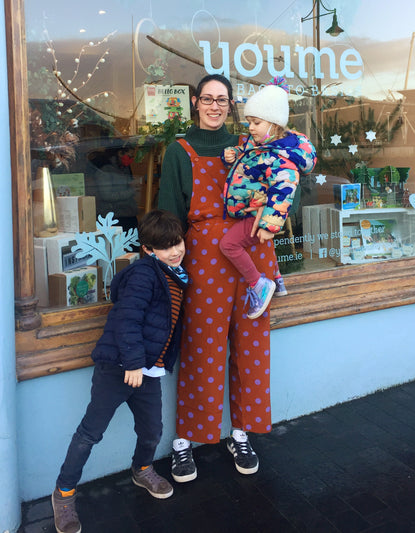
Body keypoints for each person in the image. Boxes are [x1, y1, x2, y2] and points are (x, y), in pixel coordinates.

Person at [158, 73, 274, 483]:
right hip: (205, 258)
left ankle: (241, 431)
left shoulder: (250, 147)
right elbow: (168, 213)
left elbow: (277, 190)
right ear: (194, 102)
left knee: (251, 344)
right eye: (207, 98)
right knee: (202, 346)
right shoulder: (179, 151)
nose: (214, 105)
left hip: (250, 254)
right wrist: (166, 267)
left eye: (221, 99)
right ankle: (186, 439)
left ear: (230, 105)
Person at [51, 209, 188, 533]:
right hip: (119, 368)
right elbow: (127, 321)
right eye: (166, 246)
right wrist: (132, 363)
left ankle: (142, 469)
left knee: (152, 428)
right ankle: (64, 494)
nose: (176, 250)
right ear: (149, 250)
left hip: (147, 371)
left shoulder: (177, 274)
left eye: (178, 242)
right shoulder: (144, 275)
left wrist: (150, 364)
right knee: (90, 433)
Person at [220, 77, 317, 319]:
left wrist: (269, 224)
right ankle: (277, 279)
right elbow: (251, 156)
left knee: (229, 245)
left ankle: (258, 285)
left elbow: (283, 190)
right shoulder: (261, 143)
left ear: (274, 125)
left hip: (255, 213)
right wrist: (233, 155)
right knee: (262, 247)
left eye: (256, 122)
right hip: (251, 208)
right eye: (249, 122)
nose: (250, 127)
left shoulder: (282, 159)